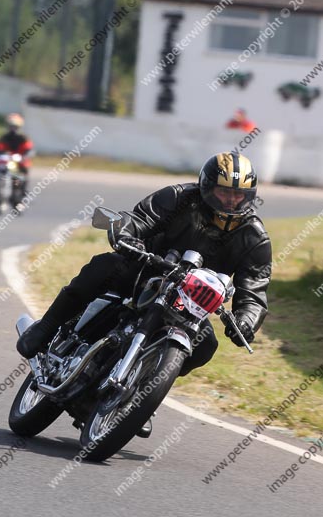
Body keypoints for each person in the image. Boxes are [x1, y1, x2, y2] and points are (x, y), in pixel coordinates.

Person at [17, 152, 272, 381]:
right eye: (224, 192)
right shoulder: (179, 198)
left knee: (206, 347)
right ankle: (45, 329)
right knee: (104, 266)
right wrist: (126, 234)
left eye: (238, 195)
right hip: (144, 272)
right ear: (207, 186)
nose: (231, 201)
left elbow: (254, 291)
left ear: (249, 195)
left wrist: (246, 320)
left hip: (188, 304)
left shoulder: (255, 237)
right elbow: (140, 218)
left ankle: (140, 390)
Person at [0, 113, 34, 197]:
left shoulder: (23, 138)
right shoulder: (4, 137)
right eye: (11, 126)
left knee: (24, 169)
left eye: (15, 126)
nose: (13, 128)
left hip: (19, 160)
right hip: (7, 159)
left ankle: (23, 190)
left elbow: (29, 149)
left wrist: (25, 156)